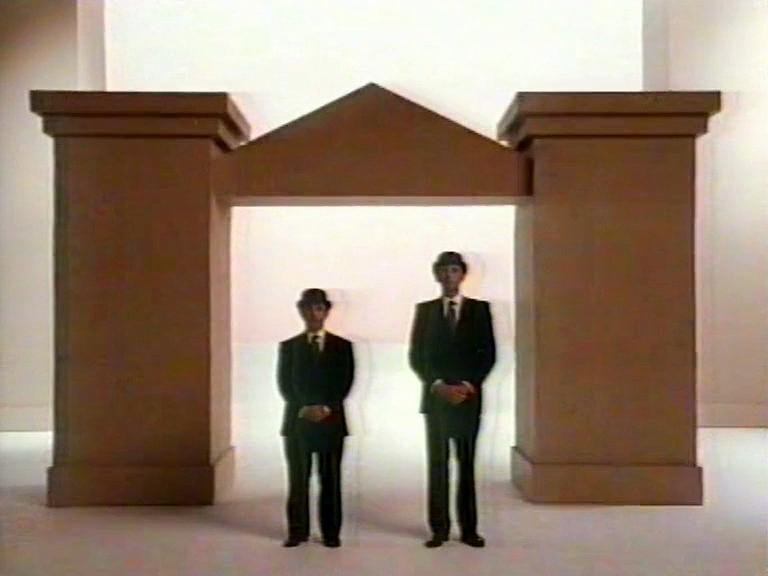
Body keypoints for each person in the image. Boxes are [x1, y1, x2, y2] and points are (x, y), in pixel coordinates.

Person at [409, 252, 496, 548]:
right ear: (436, 274)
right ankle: (439, 529)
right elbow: (417, 356)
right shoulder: (425, 311)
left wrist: (467, 386)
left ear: (463, 275)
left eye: (454, 270)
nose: (449, 276)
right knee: (438, 464)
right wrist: (438, 386)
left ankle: (469, 529)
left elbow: (488, 354)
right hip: (436, 399)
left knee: (466, 464)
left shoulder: (480, 310)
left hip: (468, 399)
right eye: (444, 270)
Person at [278, 288, 354, 548]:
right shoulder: (289, 347)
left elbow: (344, 382)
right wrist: (304, 408)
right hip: (297, 422)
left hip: (331, 422)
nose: (313, 313)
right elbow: (285, 384)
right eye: (308, 308)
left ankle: (331, 533)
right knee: (298, 479)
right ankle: (297, 532)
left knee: (330, 479)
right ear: (300, 311)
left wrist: (325, 408)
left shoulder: (342, 347)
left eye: (318, 308)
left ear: (326, 311)